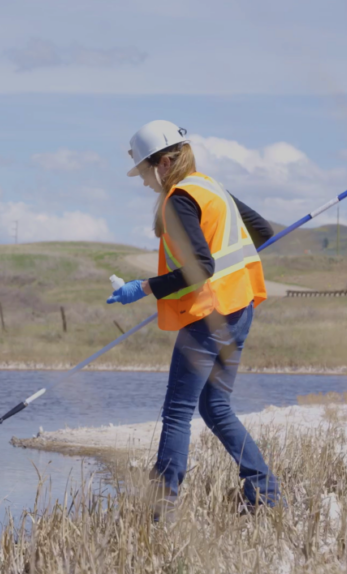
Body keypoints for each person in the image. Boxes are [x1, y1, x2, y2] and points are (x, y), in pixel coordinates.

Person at [107, 120, 280, 516]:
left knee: (178, 411)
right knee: (215, 407)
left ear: (163, 163)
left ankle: (160, 507)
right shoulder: (211, 187)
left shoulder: (180, 199)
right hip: (239, 310)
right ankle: (265, 494)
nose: (145, 182)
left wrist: (145, 287)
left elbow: (200, 265)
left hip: (209, 315)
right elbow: (263, 231)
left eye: (145, 172)